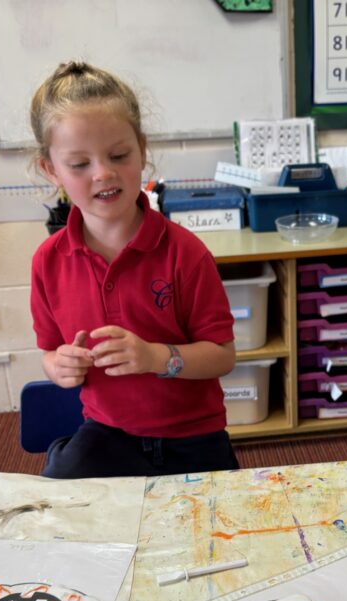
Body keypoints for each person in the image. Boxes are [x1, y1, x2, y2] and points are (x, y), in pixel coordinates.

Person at [28, 61, 238, 478]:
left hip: (194, 436)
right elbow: (49, 352)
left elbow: (222, 355)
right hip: (108, 433)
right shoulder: (49, 262)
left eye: (119, 155)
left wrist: (154, 357)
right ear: (50, 169)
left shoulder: (186, 253)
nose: (104, 173)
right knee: (55, 518)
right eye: (79, 164)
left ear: (141, 150)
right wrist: (60, 367)